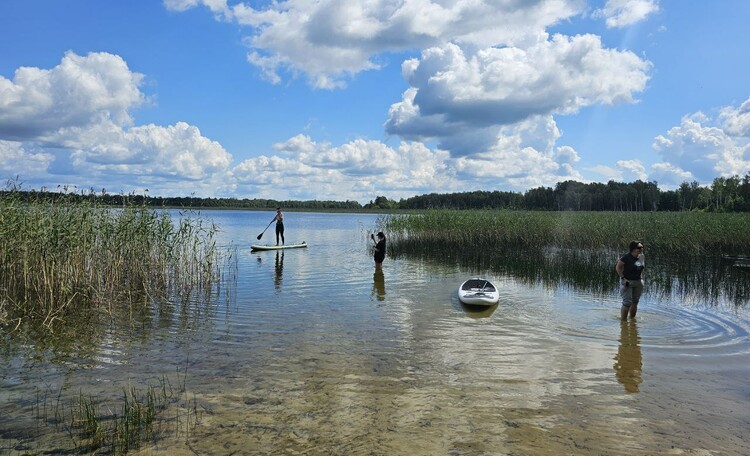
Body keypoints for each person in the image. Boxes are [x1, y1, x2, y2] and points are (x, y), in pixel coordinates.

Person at [615, 241, 645, 320]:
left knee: (635, 302)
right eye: (639, 247)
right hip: (627, 282)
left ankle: (632, 321)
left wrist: (641, 278)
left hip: (638, 282)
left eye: (642, 247)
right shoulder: (626, 257)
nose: (641, 249)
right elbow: (618, 268)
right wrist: (623, 278)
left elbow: (639, 268)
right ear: (633, 249)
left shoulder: (641, 257)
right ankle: (623, 322)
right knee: (627, 303)